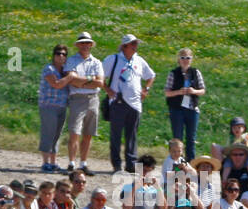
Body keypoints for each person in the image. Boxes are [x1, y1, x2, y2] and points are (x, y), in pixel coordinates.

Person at [104, 34, 156, 175]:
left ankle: (131, 163)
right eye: (132, 44)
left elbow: (151, 76)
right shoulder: (113, 59)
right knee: (116, 135)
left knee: (132, 135)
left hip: (135, 104)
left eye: (135, 44)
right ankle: (116, 164)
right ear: (124, 46)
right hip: (118, 102)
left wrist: (146, 89)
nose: (135, 46)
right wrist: (107, 89)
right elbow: (100, 75)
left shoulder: (139, 61)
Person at [64, 31, 104, 175]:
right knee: (75, 132)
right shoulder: (72, 60)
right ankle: (71, 163)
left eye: (87, 43)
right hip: (77, 99)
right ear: (78, 45)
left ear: (91, 45)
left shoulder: (96, 62)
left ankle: (83, 163)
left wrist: (81, 81)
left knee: (88, 133)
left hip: (93, 99)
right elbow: (71, 80)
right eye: (82, 43)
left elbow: (100, 82)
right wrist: (90, 80)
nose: (85, 46)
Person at [164, 48, 205, 161]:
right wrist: (179, 92)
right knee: (177, 138)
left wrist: (193, 91)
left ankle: (190, 163)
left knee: (191, 138)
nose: (185, 60)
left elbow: (202, 90)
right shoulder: (173, 73)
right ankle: (177, 163)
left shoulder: (196, 72)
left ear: (191, 59)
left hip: (192, 109)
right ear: (179, 59)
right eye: (183, 58)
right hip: (177, 109)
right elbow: (167, 92)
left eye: (188, 58)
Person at [37, 45, 71, 174]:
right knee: (48, 133)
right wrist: (70, 77)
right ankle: (45, 162)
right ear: (53, 55)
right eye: (58, 53)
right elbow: (56, 84)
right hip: (48, 105)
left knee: (57, 135)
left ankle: (53, 162)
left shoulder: (65, 71)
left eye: (64, 54)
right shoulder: (49, 69)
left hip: (62, 106)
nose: (61, 56)